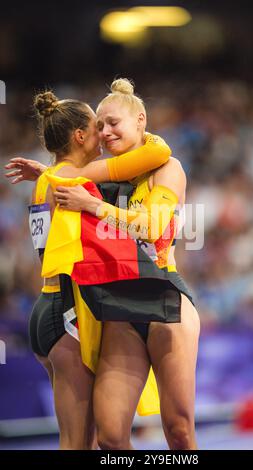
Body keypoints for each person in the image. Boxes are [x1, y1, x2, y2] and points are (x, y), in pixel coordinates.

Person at [9, 89, 172, 449]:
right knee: (78, 443)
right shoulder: (78, 184)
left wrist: (49, 172)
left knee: (86, 439)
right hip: (69, 315)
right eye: (97, 127)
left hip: (46, 311)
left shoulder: (46, 180)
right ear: (79, 136)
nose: (104, 134)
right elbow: (158, 151)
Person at [53, 78, 200, 450]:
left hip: (165, 300)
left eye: (113, 122)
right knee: (111, 437)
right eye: (99, 125)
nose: (104, 132)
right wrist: (43, 174)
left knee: (179, 430)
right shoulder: (101, 177)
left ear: (140, 120)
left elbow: (151, 228)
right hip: (120, 307)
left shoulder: (167, 168)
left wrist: (92, 207)